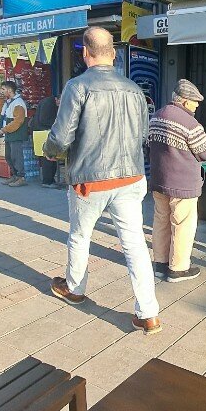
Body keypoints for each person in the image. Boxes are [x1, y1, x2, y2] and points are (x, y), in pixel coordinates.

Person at [43, 27, 160, 334]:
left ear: (85, 52)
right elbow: (143, 136)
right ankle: (148, 313)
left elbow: (61, 137)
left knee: (80, 236)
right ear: (114, 53)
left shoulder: (77, 86)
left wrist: (49, 152)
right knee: (134, 245)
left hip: (90, 180)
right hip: (131, 177)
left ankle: (75, 288)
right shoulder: (134, 89)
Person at [148, 79, 206, 283]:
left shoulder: (156, 116)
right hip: (182, 185)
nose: (196, 106)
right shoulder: (190, 124)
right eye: (195, 102)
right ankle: (178, 269)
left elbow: (147, 143)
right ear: (185, 101)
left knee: (161, 221)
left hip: (159, 180)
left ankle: (160, 264)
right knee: (182, 224)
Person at [0, 80, 29, 187]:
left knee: (16, 156)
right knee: (9, 156)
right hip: (9, 134)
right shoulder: (7, 102)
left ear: (10, 90)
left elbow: (18, 121)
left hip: (16, 134)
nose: (1, 91)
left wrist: (4, 129)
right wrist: (0, 99)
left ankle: (21, 177)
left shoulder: (18, 103)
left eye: (3, 89)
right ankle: (14, 175)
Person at [29, 93, 60, 188]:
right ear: (57, 99)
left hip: (42, 132)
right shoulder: (48, 104)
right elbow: (44, 120)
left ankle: (50, 179)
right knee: (47, 157)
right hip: (42, 133)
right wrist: (58, 125)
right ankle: (47, 181)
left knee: (49, 157)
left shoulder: (48, 102)